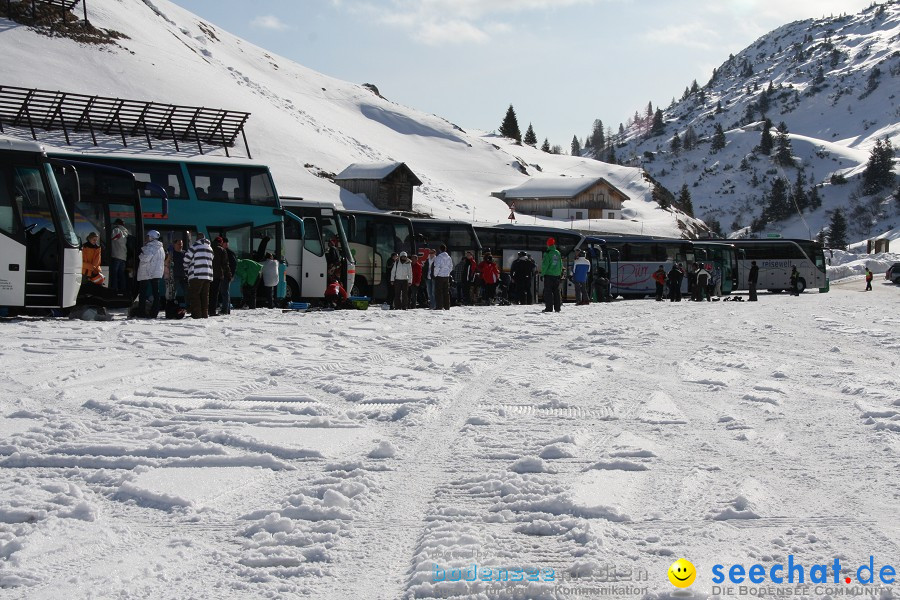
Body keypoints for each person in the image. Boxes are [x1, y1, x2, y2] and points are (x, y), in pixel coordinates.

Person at [136, 230, 165, 318]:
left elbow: (145, 258)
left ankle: (141, 312)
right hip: (157, 272)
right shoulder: (161, 247)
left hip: (147, 272)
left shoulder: (150, 246)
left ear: (151, 237)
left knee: (143, 292)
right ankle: (154, 312)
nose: (146, 238)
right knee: (156, 293)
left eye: (147, 236)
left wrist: (140, 255)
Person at [185, 233, 214, 318]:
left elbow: (186, 259)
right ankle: (204, 314)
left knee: (195, 294)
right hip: (208, 275)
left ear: (197, 238)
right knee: (205, 295)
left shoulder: (194, 247)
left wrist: (186, 269)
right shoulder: (210, 248)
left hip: (196, 274)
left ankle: (196, 315)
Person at [210, 236, 232, 316]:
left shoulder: (209, 248)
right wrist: (229, 274)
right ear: (221, 242)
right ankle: (213, 311)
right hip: (218, 275)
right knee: (216, 294)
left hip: (208, 274)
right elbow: (225, 264)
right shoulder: (222, 250)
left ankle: (208, 309)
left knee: (208, 293)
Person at [541, 237, 562, 313]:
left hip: (549, 276)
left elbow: (545, 265)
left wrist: (542, 274)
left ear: (548, 244)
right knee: (557, 292)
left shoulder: (548, 253)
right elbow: (560, 264)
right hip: (557, 275)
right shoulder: (557, 252)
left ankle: (549, 308)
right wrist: (559, 273)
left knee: (548, 292)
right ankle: (557, 308)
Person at [109, 218, 129, 292]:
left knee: (114, 274)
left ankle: (114, 289)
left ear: (117, 223)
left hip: (116, 255)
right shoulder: (126, 232)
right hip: (123, 256)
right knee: (121, 274)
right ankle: (123, 289)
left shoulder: (116, 230)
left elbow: (111, 239)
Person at [433, 244, 453, 310]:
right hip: (446, 276)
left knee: (438, 292)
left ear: (439, 249)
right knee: (446, 292)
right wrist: (447, 273)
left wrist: (435, 274)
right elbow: (451, 267)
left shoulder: (439, 257)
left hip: (439, 276)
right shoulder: (449, 257)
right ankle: (447, 306)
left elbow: (437, 267)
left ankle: (439, 306)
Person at [170, 238, 188, 305]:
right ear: (174, 245)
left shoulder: (185, 253)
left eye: (181, 244)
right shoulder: (171, 254)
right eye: (179, 244)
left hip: (184, 275)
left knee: (187, 292)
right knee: (173, 292)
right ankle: (172, 305)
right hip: (175, 275)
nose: (181, 245)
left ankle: (188, 306)